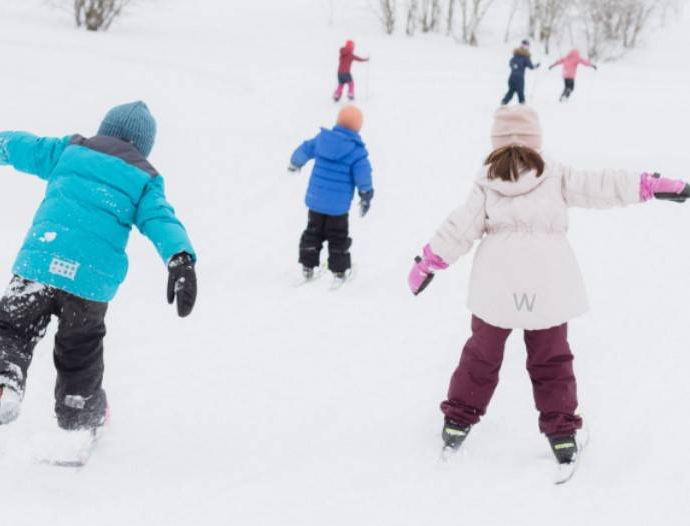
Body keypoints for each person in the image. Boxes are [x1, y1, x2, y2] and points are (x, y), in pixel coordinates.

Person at [407, 105, 689, 465]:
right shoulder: (555, 174)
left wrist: (429, 260)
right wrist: (650, 185)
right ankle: (561, 434)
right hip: (547, 282)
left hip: (498, 284)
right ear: (535, 140)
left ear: (495, 142)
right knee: (551, 358)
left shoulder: (487, 180)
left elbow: (461, 226)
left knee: (482, 353)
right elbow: (603, 185)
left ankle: (457, 421)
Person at [0, 101, 198, 445]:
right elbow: (161, 220)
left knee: (11, 331)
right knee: (80, 350)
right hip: (90, 283)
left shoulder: (69, 150)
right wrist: (180, 259)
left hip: (40, 264)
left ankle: (0, 389)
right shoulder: (145, 180)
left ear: (105, 129)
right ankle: (79, 417)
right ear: (144, 146)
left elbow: (15, 145)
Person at [287, 105, 374, 284]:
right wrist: (366, 195)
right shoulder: (357, 151)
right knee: (337, 236)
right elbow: (363, 176)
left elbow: (305, 149)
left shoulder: (322, 140)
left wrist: (295, 163)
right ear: (358, 127)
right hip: (338, 207)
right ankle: (339, 272)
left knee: (313, 231)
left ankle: (307, 266)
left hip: (316, 200)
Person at [501, 39, 540, 105]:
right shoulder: (525, 56)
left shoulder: (517, 55)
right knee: (519, 91)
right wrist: (536, 66)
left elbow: (511, 62)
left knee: (511, 90)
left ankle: (504, 102)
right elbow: (531, 66)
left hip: (512, 76)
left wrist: (513, 65)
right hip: (519, 78)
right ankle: (522, 103)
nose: (526, 48)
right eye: (526, 46)